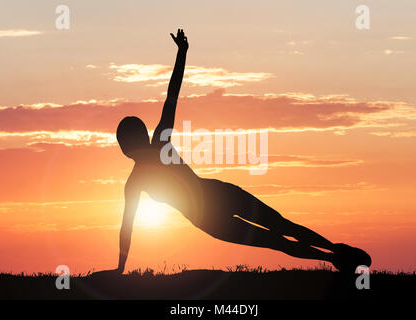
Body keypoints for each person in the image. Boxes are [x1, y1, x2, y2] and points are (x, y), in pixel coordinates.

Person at [96, 29, 371, 276]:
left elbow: (172, 95)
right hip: (214, 208)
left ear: (125, 149)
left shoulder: (147, 162)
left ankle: (335, 252)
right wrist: (182, 52)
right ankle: (334, 254)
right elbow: (127, 227)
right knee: (278, 235)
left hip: (217, 201)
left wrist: (182, 53)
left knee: (279, 232)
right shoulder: (146, 164)